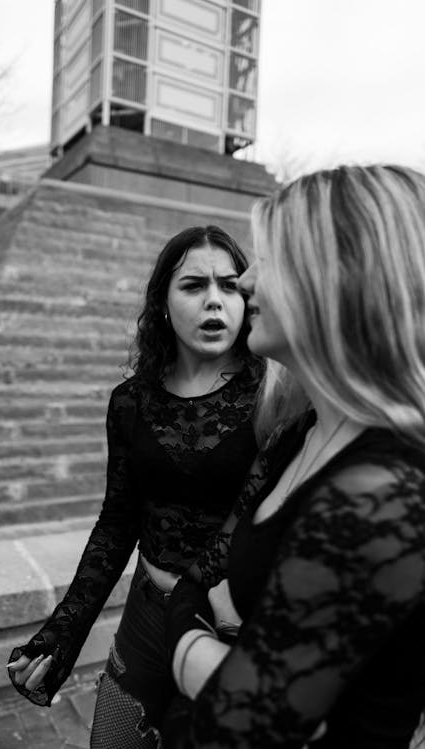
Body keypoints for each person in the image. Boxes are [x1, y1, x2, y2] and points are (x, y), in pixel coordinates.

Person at [163, 165, 425, 749]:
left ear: (339, 279)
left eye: (268, 259)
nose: (246, 282)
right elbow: (209, 567)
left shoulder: (381, 491)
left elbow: (234, 729)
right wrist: (218, 641)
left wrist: (185, 643)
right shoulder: (300, 433)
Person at [6, 225, 265, 747]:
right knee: (113, 741)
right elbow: (118, 522)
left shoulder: (275, 392)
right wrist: (65, 630)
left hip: (239, 628)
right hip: (148, 614)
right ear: (164, 303)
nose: (215, 300)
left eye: (230, 285)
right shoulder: (131, 401)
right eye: (193, 286)